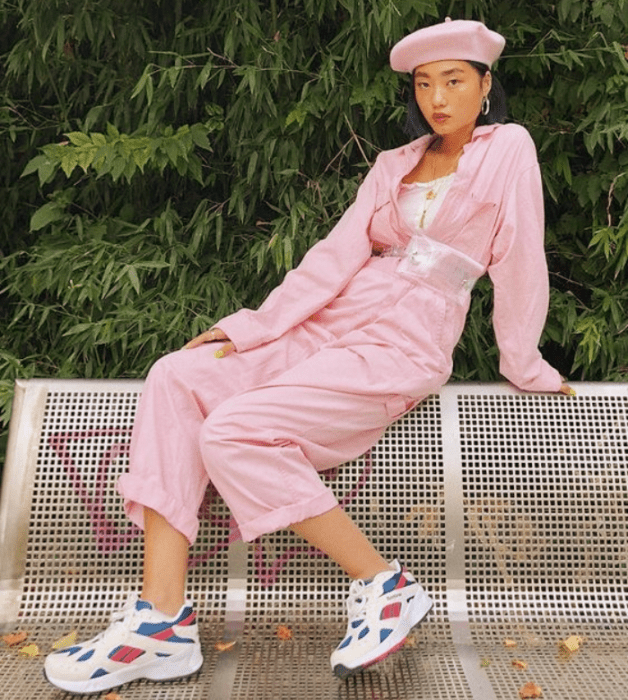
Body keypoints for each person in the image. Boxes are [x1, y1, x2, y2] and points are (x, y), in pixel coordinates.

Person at [44, 17, 573, 695]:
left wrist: (524, 363)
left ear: (484, 85)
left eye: (454, 81)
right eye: (423, 84)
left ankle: (383, 586)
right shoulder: (392, 166)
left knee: (233, 432)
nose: (437, 98)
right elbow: (329, 261)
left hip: (403, 340)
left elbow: (523, 257)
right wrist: (250, 328)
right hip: (331, 319)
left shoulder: (510, 150)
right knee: (176, 373)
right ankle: (162, 624)